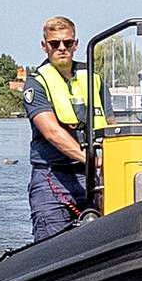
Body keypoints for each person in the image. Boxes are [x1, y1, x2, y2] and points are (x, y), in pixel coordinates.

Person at [21, 16, 109, 241]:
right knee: (52, 245)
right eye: (55, 43)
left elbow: (112, 126)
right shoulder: (36, 83)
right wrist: (92, 160)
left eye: (67, 43)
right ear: (45, 46)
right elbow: (52, 132)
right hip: (52, 177)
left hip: (91, 178)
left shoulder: (94, 79)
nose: (62, 48)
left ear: (76, 44)